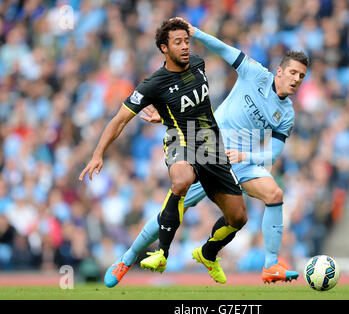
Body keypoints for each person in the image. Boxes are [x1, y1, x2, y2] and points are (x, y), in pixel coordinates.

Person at [104, 17, 308, 287]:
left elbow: (271, 155)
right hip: (209, 149)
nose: (296, 79)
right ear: (279, 71)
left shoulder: (287, 115)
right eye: (292, 72)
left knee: (274, 195)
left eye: (301, 76)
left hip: (242, 161)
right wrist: (196, 32)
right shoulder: (256, 73)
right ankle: (126, 259)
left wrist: (246, 156)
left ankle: (269, 265)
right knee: (176, 206)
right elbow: (225, 50)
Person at [79, 19, 247, 285]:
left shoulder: (199, 63)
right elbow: (119, 120)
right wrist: (98, 153)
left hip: (212, 147)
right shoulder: (153, 84)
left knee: (238, 217)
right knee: (181, 180)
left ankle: (208, 253)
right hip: (179, 140)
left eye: (186, 41)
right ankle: (152, 254)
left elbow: (190, 104)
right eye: (177, 42)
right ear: (163, 48)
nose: (184, 46)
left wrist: (166, 114)